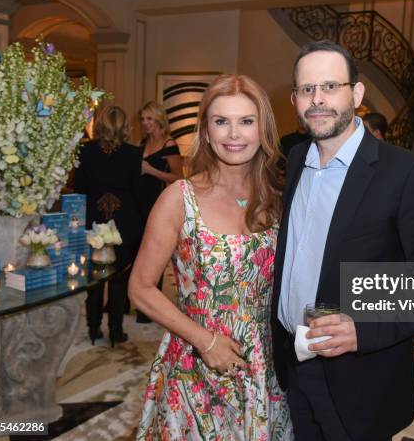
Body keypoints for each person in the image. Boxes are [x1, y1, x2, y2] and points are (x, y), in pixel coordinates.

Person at [271, 40, 414, 441]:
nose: (317, 99)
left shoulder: (404, 172)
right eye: (307, 89)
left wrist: (365, 327)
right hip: (294, 365)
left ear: (356, 94)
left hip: (359, 379)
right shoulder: (293, 162)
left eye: (330, 86)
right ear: (295, 100)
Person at [131, 74, 293, 440]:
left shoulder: (280, 199)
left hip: (266, 369)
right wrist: (205, 342)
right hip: (195, 367)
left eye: (246, 121)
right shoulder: (178, 198)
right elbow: (140, 288)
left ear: (263, 129)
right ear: (205, 130)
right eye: (222, 121)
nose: (234, 133)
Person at [74, 106, 143, 346]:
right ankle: (116, 331)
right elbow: (137, 193)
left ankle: (93, 329)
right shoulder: (134, 153)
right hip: (125, 221)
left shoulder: (85, 151)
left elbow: (79, 190)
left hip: (92, 220)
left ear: (100, 124)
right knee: (119, 280)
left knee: (94, 279)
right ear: (125, 126)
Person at [136, 101, 184, 323]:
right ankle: (135, 302)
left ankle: (148, 311)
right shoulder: (143, 141)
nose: (145, 123)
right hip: (138, 201)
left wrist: (151, 170)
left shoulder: (169, 143)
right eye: (143, 119)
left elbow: (178, 178)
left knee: (154, 252)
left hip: (157, 201)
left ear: (159, 119)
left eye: (149, 119)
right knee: (138, 250)